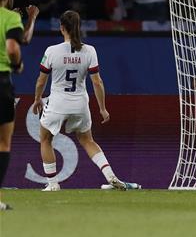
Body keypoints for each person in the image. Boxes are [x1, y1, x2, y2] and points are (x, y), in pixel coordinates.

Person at [31, 11, 140, 191]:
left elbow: (41, 80)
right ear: (78, 28)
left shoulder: (51, 51)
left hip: (58, 102)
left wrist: (37, 99)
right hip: (80, 103)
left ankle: (52, 183)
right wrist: (103, 108)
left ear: (62, 28)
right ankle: (111, 176)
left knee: (45, 139)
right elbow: (97, 81)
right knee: (87, 140)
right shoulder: (90, 50)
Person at [0, 0, 23, 210]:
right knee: (3, 142)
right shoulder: (10, 17)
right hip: (1, 82)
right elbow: (13, 48)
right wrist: (17, 64)